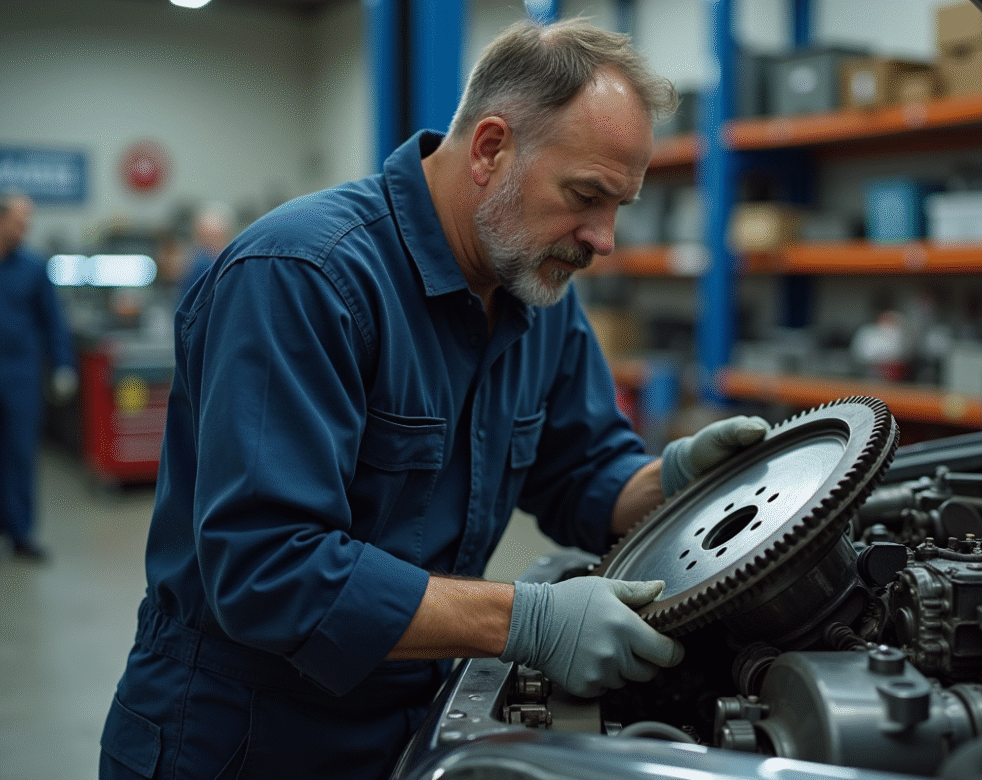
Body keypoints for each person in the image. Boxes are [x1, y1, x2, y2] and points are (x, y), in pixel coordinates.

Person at [99, 17, 769, 780]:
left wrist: (673, 483)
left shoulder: (535, 289)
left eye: (621, 205)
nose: (604, 238)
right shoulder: (304, 277)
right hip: (241, 737)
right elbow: (267, 569)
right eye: (586, 195)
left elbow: (582, 472)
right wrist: (528, 619)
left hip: (412, 717)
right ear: (490, 149)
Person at [0, 190, 77, 562]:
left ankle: (21, 534)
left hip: (21, 375)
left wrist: (63, 365)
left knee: (19, 454)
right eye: (20, 220)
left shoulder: (33, 267)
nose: (25, 228)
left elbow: (53, 323)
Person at [178, 200, 233, 299]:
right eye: (202, 238)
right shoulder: (199, 266)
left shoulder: (224, 267)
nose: (205, 246)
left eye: (212, 239)